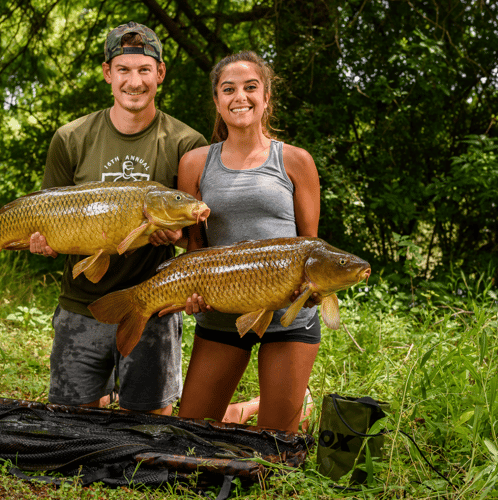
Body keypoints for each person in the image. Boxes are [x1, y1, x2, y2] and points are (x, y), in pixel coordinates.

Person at [29, 21, 207, 415]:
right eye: (123, 70)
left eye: (144, 70)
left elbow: (196, 234)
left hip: (152, 307)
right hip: (82, 304)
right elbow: (47, 212)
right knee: (70, 426)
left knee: (147, 428)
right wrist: (41, 241)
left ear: (160, 73)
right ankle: (103, 389)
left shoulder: (187, 143)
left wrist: (174, 235)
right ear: (108, 73)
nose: (134, 81)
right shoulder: (71, 137)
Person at [176, 51, 321, 434]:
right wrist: (192, 293)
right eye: (229, 89)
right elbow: (195, 248)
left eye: (250, 87)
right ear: (217, 102)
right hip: (222, 310)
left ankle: (279, 403)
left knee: (275, 450)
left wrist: (314, 288)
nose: (240, 96)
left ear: (266, 97)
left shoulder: (295, 161)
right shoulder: (194, 164)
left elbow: (311, 245)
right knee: (189, 437)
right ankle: (243, 409)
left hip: (288, 316)